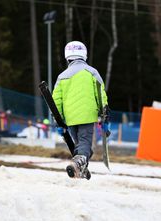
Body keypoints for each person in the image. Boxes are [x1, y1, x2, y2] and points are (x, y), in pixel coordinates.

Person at [52, 41, 109, 178]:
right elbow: (101, 96)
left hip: (70, 118)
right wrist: (105, 117)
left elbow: (55, 102)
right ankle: (78, 163)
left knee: (80, 144)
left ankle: (80, 166)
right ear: (84, 55)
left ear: (67, 57)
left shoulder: (62, 77)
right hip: (87, 116)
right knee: (84, 144)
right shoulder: (92, 72)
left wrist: (58, 122)